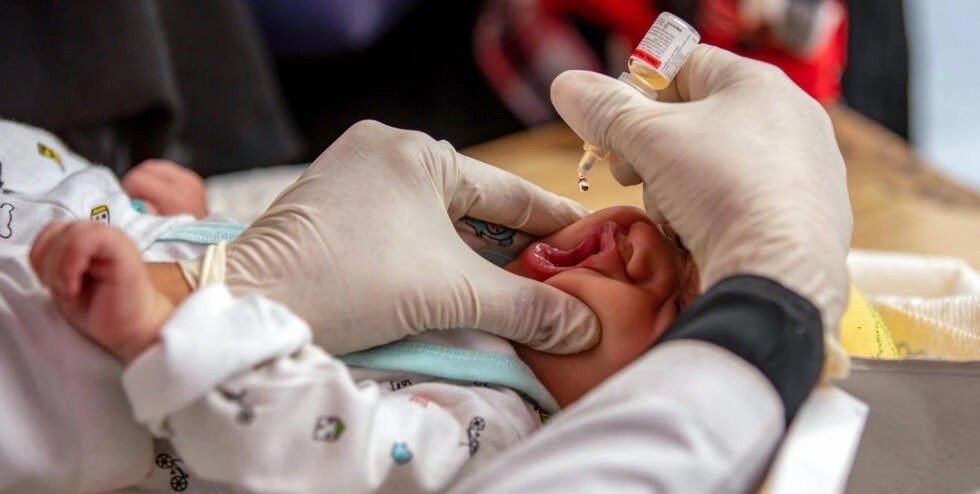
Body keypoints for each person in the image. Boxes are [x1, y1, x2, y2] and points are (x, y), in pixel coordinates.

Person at [27, 201, 697, 492]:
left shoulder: (488, 435)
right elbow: (296, 250)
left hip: (80, 374)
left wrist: (157, 326)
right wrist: (180, 220)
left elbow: (315, 447)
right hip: (96, 226)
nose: (645, 251)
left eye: (676, 310)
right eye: (670, 234)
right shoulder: (473, 261)